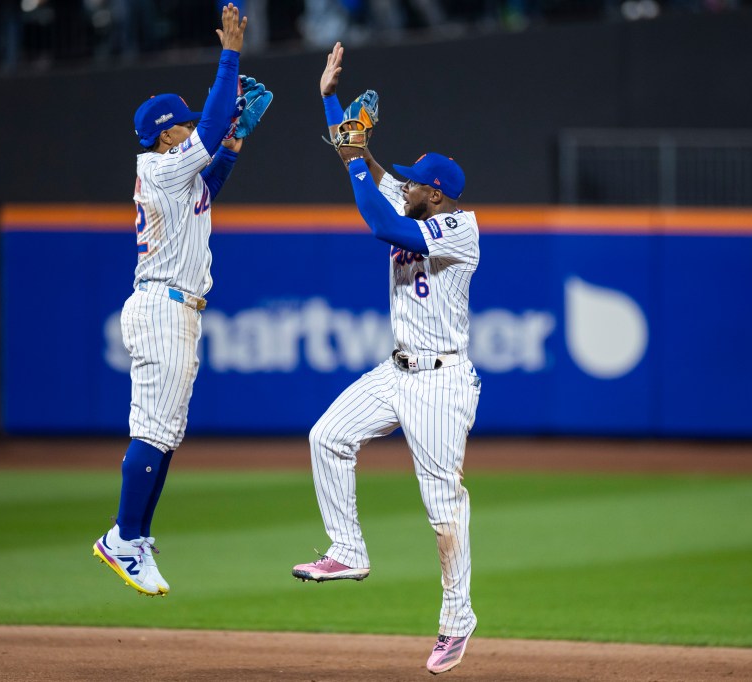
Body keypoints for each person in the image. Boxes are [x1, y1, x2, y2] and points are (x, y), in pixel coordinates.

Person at [291, 41, 482, 675]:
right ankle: (348, 549)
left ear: (436, 192)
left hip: (441, 381)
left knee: (443, 506)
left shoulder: (460, 229)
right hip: (395, 368)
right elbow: (370, 165)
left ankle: (457, 621)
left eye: (414, 184)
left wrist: (352, 161)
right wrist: (331, 100)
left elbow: (381, 220)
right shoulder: (415, 195)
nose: (404, 186)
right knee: (327, 436)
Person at [93, 3, 272, 597]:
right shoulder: (159, 164)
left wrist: (237, 140)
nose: (197, 129)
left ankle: (133, 537)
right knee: (154, 428)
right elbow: (215, 120)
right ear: (169, 132)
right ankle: (123, 537)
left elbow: (211, 181)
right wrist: (230, 56)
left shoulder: (178, 174)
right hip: (162, 306)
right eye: (187, 126)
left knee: (164, 431)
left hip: (176, 307)